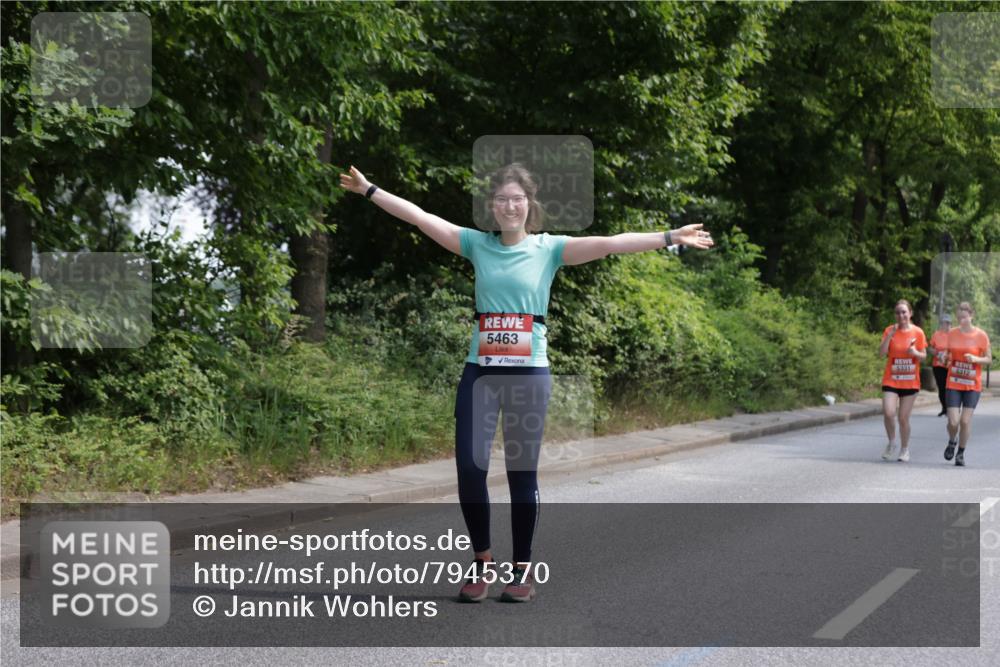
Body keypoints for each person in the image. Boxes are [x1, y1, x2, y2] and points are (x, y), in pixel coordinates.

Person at [339, 162, 713, 602]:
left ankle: (522, 569)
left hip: (528, 374)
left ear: (529, 205)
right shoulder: (476, 245)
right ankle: (482, 561)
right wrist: (369, 190)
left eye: (517, 199)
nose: (510, 206)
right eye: (502, 199)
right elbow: (421, 217)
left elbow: (611, 244)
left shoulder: (549, 248)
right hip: (480, 372)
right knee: (470, 469)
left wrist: (671, 237)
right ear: (492, 207)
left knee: (521, 473)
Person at [942, 302, 992, 467]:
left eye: (965, 317)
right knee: (953, 421)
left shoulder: (981, 335)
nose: (962, 320)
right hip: (954, 382)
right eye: (959, 317)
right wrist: (944, 357)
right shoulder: (952, 333)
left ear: (972, 316)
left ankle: (961, 453)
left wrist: (976, 359)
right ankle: (952, 440)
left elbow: (989, 359)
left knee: (964, 421)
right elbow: (947, 354)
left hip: (972, 384)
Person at [878, 299, 927, 463]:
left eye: (904, 312)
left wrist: (915, 353)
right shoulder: (889, 330)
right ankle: (892, 442)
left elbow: (924, 356)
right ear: (895, 315)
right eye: (898, 312)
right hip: (891, 379)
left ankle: (905, 449)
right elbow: (881, 353)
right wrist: (889, 336)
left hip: (910, 381)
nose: (901, 315)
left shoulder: (918, 332)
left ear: (910, 314)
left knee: (903, 418)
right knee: (888, 412)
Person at [927, 314, 952, 416]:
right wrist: (937, 353)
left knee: (950, 388)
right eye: (943, 323)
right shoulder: (936, 335)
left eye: (948, 323)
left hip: (951, 365)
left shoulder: (954, 334)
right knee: (941, 387)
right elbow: (929, 348)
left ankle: (952, 408)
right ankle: (944, 408)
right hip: (938, 365)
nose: (945, 325)